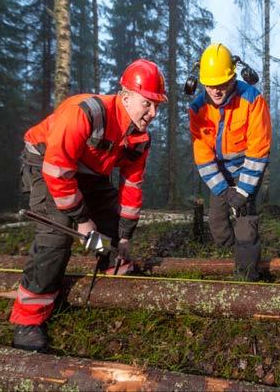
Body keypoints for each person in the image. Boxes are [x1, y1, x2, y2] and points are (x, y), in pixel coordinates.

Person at [10, 59, 167, 352]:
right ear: (126, 96)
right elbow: (57, 172)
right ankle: (28, 320)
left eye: (157, 106)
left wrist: (124, 237)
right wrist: (82, 219)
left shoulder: (139, 139)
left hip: (86, 173)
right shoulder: (85, 112)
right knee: (56, 237)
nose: (153, 113)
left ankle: (113, 267)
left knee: (109, 218)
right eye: (147, 103)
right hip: (46, 164)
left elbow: (131, 188)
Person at [188, 43, 272, 281]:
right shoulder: (197, 109)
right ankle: (232, 255)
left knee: (245, 220)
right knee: (217, 223)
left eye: (222, 84)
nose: (216, 90)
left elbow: (259, 148)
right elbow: (203, 156)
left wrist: (243, 191)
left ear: (233, 78)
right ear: (201, 81)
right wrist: (224, 191)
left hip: (247, 168)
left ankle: (247, 275)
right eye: (210, 85)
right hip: (220, 172)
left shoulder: (252, 100)